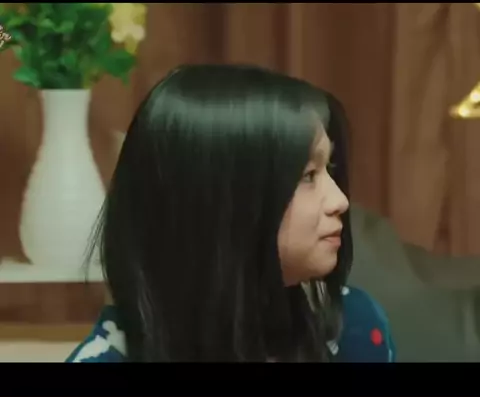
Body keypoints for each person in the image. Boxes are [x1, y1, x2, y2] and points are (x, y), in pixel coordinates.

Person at [66, 63, 395, 363]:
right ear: (221, 204)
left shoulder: (352, 330)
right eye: (308, 175)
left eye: (329, 168)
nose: (339, 200)